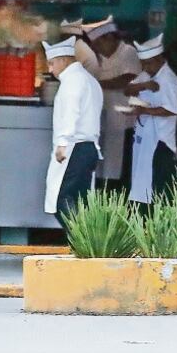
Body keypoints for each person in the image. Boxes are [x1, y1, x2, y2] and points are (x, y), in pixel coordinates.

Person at [41, 36, 103, 232]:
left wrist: (62, 143)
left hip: (74, 147)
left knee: (62, 199)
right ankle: (85, 243)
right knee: (80, 200)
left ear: (64, 60)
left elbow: (70, 112)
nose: (50, 70)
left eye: (51, 64)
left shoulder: (72, 82)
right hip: (88, 147)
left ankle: (80, 239)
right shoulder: (89, 80)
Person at [83, 15, 140, 190]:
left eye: (99, 44)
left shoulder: (128, 52)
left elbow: (127, 80)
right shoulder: (97, 58)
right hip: (102, 119)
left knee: (120, 167)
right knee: (102, 166)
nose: (97, 49)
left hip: (124, 122)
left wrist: (95, 85)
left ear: (109, 38)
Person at [125, 33, 177, 205]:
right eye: (143, 64)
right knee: (141, 186)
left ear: (159, 59)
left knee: (158, 191)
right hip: (145, 139)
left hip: (161, 143)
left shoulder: (168, 79)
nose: (146, 68)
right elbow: (128, 90)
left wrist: (144, 110)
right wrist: (144, 85)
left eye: (148, 63)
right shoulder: (147, 75)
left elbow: (170, 110)